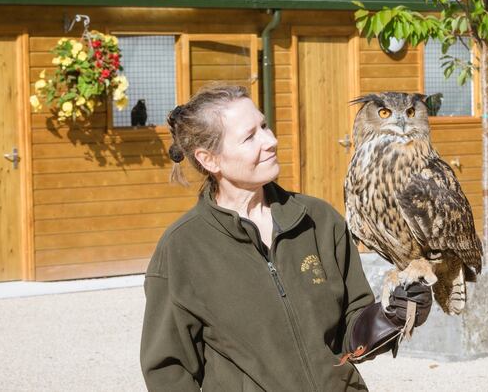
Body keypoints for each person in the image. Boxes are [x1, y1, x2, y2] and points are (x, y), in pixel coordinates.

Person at [139, 84, 432, 391]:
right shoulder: (183, 248)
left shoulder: (317, 219)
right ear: (210, 159)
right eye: (250, 136)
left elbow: (351, 328)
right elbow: (168, 370)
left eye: (264, 126)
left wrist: (391, 316)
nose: (271, 141)